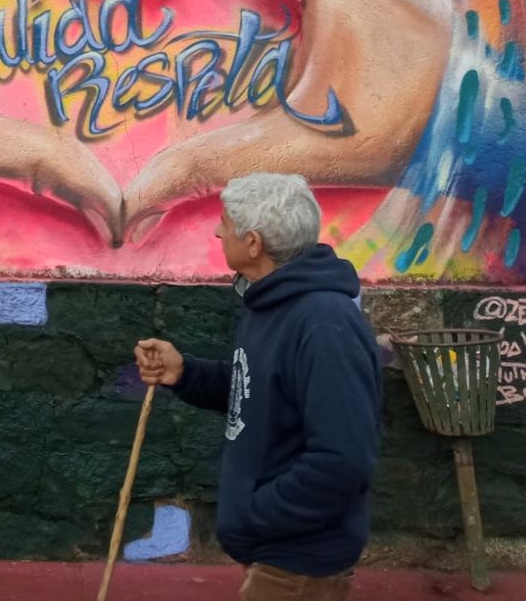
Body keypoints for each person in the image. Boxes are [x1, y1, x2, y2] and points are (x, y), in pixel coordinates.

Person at [135, 173, 382, 600]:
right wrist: (186, 373)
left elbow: (343, 460)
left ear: (253, 243)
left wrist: (257, 513)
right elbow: (262, 392)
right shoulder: (273, 302)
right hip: (277, 556)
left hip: (298, 564)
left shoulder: (324, 324)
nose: (218, 231)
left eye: (226, 223)